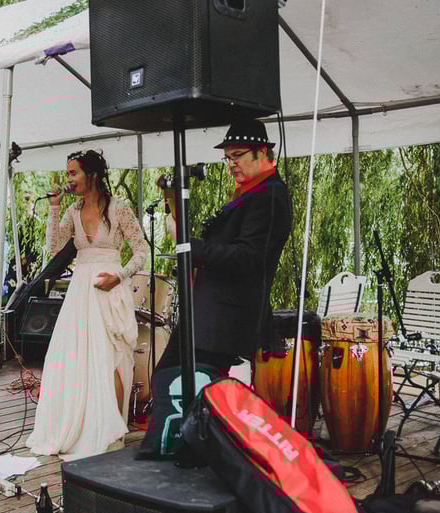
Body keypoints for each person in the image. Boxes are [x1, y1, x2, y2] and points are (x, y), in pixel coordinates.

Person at [139, 118, 293, 457]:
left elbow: (249, 257)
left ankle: (191, 452)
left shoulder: (270, 197)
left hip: (225, 315)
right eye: (227, 157)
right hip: (210, 311)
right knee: (173, 377)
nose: (231, 164)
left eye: (238, 155)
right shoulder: (252, 193)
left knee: (191, 383)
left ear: (263, 152)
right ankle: (180, 449)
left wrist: (191, 247)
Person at [26, 149, 148, 461]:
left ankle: (112, 429)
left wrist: (119, 276)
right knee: (75, 360)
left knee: (112, 359)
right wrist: (54, 209)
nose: (69, 180)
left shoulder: (119, 210)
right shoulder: (71, 212)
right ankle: (80, 425)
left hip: (109, 288)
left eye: (73, 173)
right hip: (81, 291)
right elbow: (54, 251)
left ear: (91, 174)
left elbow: (140, 252)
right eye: (67, 174)